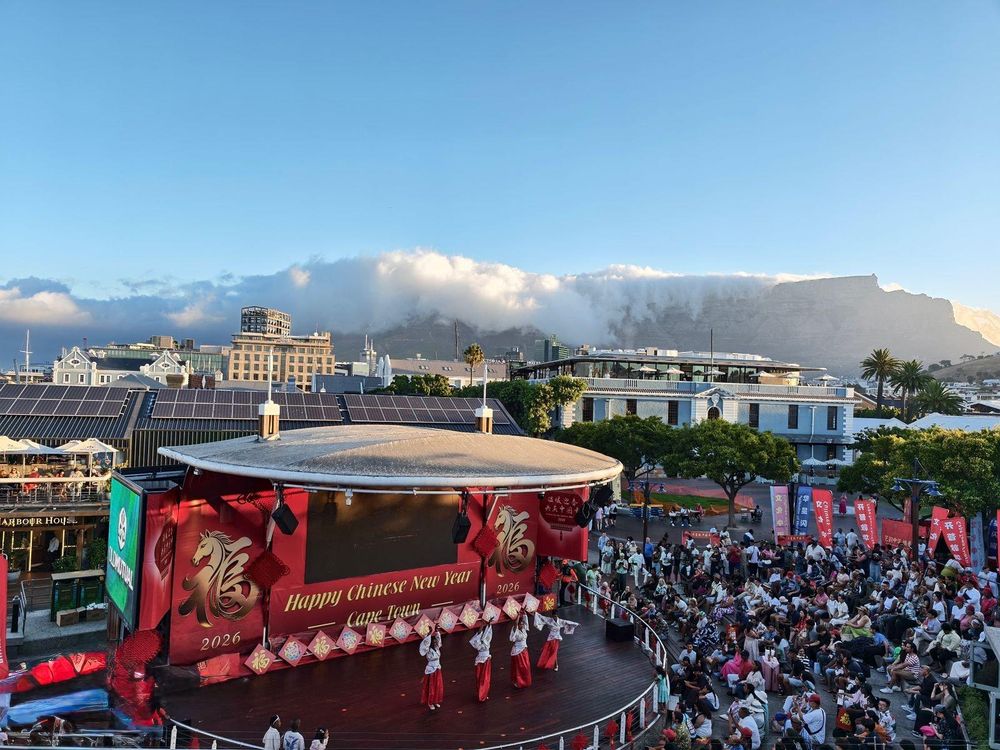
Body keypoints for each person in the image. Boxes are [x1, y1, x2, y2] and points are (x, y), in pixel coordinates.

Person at [419, 627, 444, 710]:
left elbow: (439, 640)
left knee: (438, 686)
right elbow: (425, 643)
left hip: (437, 669)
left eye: (436, 641)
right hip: (431, 670)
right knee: (431, 687)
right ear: (430, 642)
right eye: (434, 641)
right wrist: (429, 633)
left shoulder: (437, 648)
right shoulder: (427, 650)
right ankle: (430, 702)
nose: (436, 642)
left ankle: (435, 701)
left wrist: (436, 631)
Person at [469, 623, 493, 702]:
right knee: (480, 678)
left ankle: (484, 694)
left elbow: (488, 631)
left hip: (486, 660)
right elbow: (479, 633)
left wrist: (488, 624)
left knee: (486, 679)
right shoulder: (477, 643)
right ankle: (481, 694)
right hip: (480, 661)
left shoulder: (486, 640)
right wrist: (482, 625)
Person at [510, 613, 532, 688]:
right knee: (519, 667)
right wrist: (518, 616)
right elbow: (515, 624)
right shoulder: (515, 630)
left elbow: (526, 621)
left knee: (526, 666)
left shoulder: (523, 629)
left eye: (522, 624)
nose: (522, 625)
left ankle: (525, 681)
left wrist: (524, 614)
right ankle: (518, 681)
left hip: (524, 650)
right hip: (518, 651)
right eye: (520, 624)